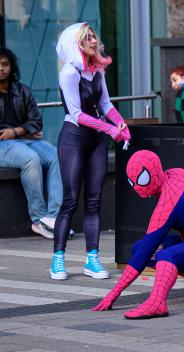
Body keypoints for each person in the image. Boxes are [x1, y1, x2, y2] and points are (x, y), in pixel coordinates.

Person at [92, 150, 184, 319]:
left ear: (155, 173)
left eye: (142, 180)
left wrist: (113, 294)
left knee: (164, 255)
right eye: (132, 182)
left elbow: (144, 254)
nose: (137, 188)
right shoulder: (178, 173)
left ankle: (157, 302)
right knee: (138, 247)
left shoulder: (168, 203)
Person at [51, 23, 130, 281]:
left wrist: (120, 123)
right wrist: (110, 130)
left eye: (93, 35)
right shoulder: (68, 74)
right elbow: (76, 114)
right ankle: (58, 260)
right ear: (75, 44)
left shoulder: (97, 70)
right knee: (70, 200)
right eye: (86, 37)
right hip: (73, 139)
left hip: (96, 141)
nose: (93, 40)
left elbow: (105, 103)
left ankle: (92, 259)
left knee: (94, 201)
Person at [0, 48, 62, 239]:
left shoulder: (22, 91)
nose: (1, 69)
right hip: (2, 144)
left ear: (11, 67)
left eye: (5, 64)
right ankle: (38, 220)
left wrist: (17, 131)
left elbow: (36, 121)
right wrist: (21, 132)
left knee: (56, 155)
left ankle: (53, 219)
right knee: (31, 159)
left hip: (23, 140)